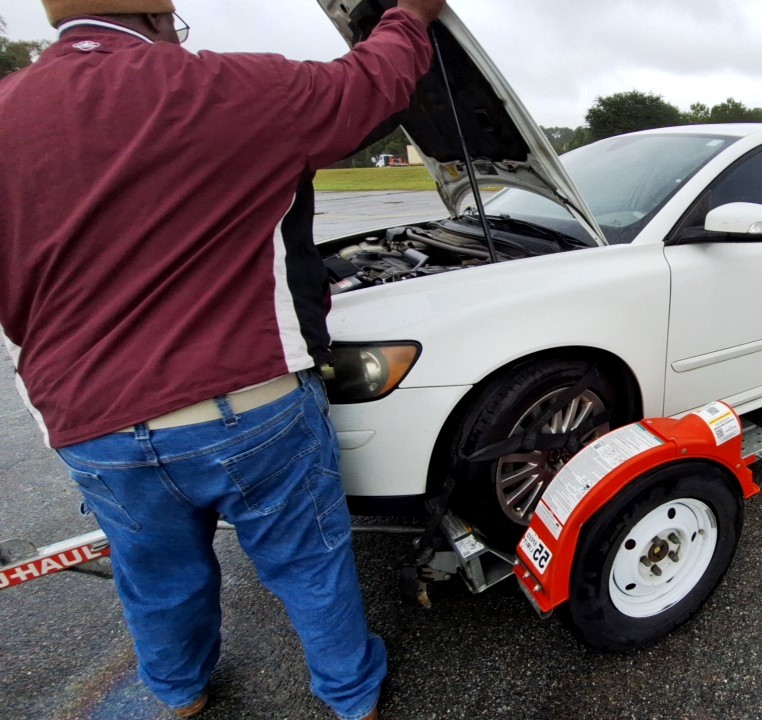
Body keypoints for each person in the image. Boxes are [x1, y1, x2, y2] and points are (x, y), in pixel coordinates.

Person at [0, 0, 447, 717]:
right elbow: (372, 82)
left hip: (94, 424)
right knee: (309, 564)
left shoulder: (9, 107)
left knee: (156, 579)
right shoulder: (231, 88)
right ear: (153, 14)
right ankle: (352, 694)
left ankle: (179, 695)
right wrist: (411, 16)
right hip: (249, 404)